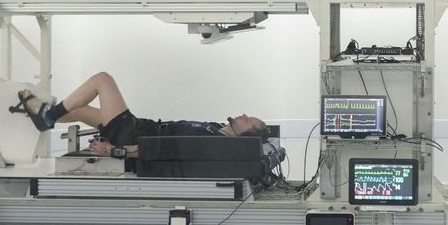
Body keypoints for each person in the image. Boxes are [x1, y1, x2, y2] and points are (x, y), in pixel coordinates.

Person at [16, 71, 269, 157]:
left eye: (249, 120)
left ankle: (47, 117)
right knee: (79, 109)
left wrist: (117, 151)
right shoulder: (216, 128)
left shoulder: (212, 142)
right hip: (139, 127)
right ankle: (38, 116)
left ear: (246, 135)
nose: (244, 115)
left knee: (102, 80)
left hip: (134, 135)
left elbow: (164, 149)